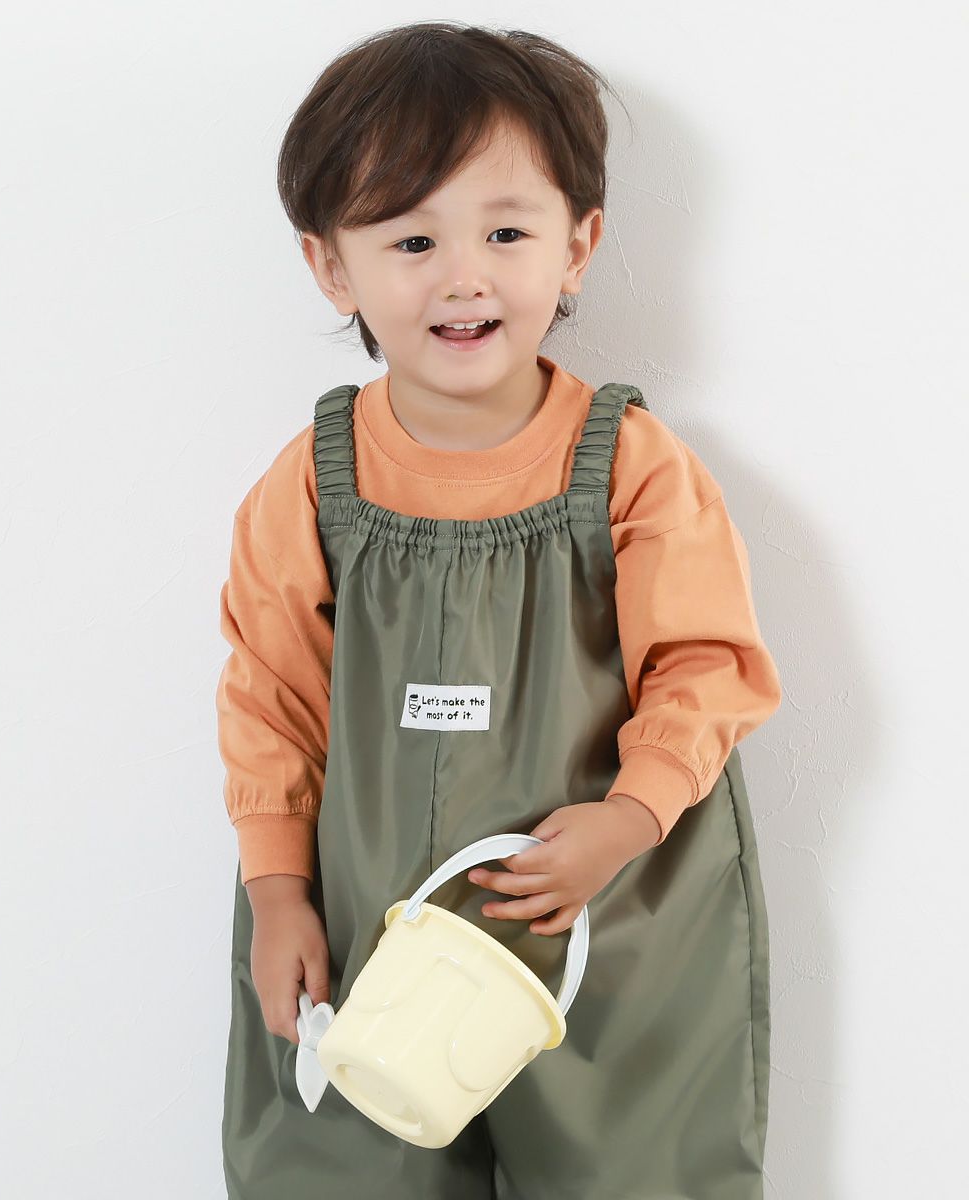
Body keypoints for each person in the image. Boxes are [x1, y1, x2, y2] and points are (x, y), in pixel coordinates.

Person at [215, 20, 782, 1200]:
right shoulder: (308, 484)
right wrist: (276, 891)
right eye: (412, 238)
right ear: (332, 266)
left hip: (605, 919)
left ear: (578, 247)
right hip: (368, 927)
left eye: (506, 233)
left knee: (630, 1171)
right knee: (346, 1164)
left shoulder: (631, 465)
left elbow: (704, 665)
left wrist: (626, 819)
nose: (463, 275)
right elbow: (269, 696)